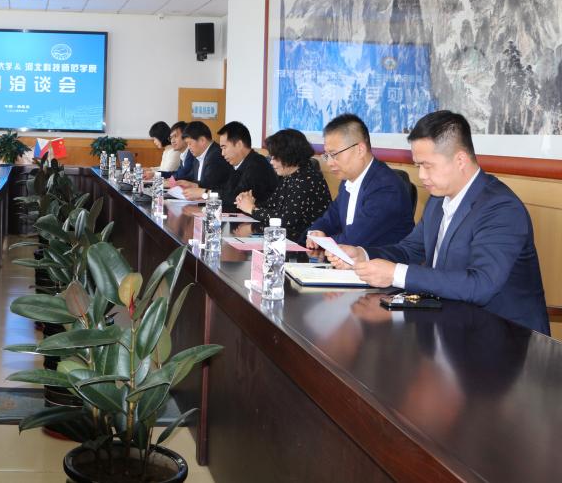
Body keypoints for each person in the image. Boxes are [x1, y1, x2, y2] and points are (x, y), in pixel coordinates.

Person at [325, 111, 549, 334]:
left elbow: (481, 285)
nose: (421, 176)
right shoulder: (437, 200)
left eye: (427, 165)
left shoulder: (500, 207)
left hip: (504, 338)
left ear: (460, 160)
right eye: (417, 166)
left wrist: (396, 274)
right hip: (450, 325)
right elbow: (410, 249)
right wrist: (362, 254)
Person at [307, 113, 414, 249]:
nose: (329, 163)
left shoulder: (386, 187)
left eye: (334, 154)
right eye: (327, 156)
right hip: (349, 259)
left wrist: (321, 241)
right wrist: (315, 232)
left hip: (381, 261)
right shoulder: (348, 181)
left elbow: (354, 240)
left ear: (360, 150)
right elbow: (330, 219)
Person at [234, 128, 331, 245]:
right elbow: (272, 206)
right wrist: (248, 202)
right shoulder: (290, 176)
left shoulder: (307, 179)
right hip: (289, 240)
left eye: (275, 157)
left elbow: (286, 220)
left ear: (289, 155)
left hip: (306, 245)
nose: (271, 162)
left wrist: (252, 210)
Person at [169, 121, 231, 197]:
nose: (189, 147)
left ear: (202, 140)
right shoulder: (198, 155)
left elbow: (210, 186)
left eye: (190, 143)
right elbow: (193, 177)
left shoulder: (216, 155)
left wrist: (194, 185)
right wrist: (185, 182)